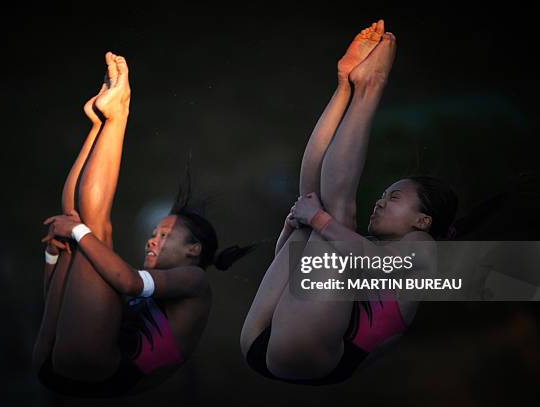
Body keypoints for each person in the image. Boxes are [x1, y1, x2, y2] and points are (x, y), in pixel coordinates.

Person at [240, 20, 458, 384]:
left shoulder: (424, 248)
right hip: (270, 338)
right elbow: (291, 260)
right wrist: (296, 227)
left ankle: (371, 87)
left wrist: (319, 222)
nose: (381, 202)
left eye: (395, 198)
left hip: (312, 354)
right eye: (385, 195)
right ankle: (347, 86)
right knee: (315, 203)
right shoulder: (357, 246)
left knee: (332, 214)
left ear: (422, 221)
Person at [32, 52, 252, 397]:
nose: (152, 241)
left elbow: (131, 283)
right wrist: (53, 255)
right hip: (58, 360)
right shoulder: (153, 281)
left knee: (91, 229)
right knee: (80, 223)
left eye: (164, 235)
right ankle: (105, 122)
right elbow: (57, 299)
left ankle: (118, 115)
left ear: (193, 249)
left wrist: (78, 235)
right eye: (153, 234)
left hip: (99, 367)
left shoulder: (195, 281)